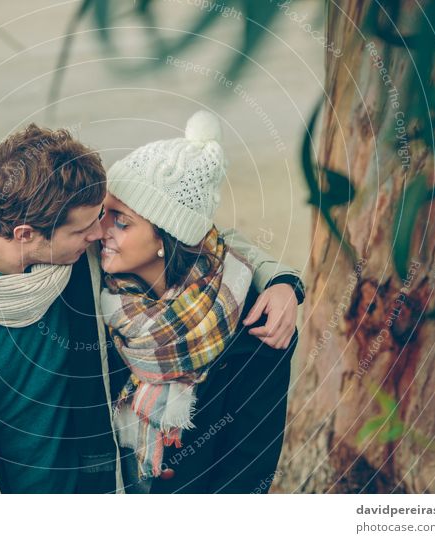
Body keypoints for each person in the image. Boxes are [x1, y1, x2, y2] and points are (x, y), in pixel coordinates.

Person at [0, 120, 303, 493]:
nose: (100, 235)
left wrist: (280, 280)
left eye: (105, 221)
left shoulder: (79, 254)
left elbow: (190, 236)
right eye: (88, 228)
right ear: (26, 236)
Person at [99, 110, 303, 493]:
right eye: (101, 213)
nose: (101, 229)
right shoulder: (97, 293)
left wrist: (283, 283)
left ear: (167, 237)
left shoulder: (255, 322)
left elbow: (249, 465)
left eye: (121, 221)